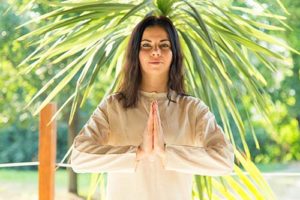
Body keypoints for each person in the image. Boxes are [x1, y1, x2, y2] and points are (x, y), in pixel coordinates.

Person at [70, 15, 234, 200]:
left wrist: (166, 152)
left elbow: (225, 161)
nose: (155, 51)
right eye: (146, 45)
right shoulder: (112, 106)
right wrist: (137, 152)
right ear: (136, 53)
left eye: (164, 45)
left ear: (174, 53)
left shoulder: (192, 109)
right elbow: (79, 158)